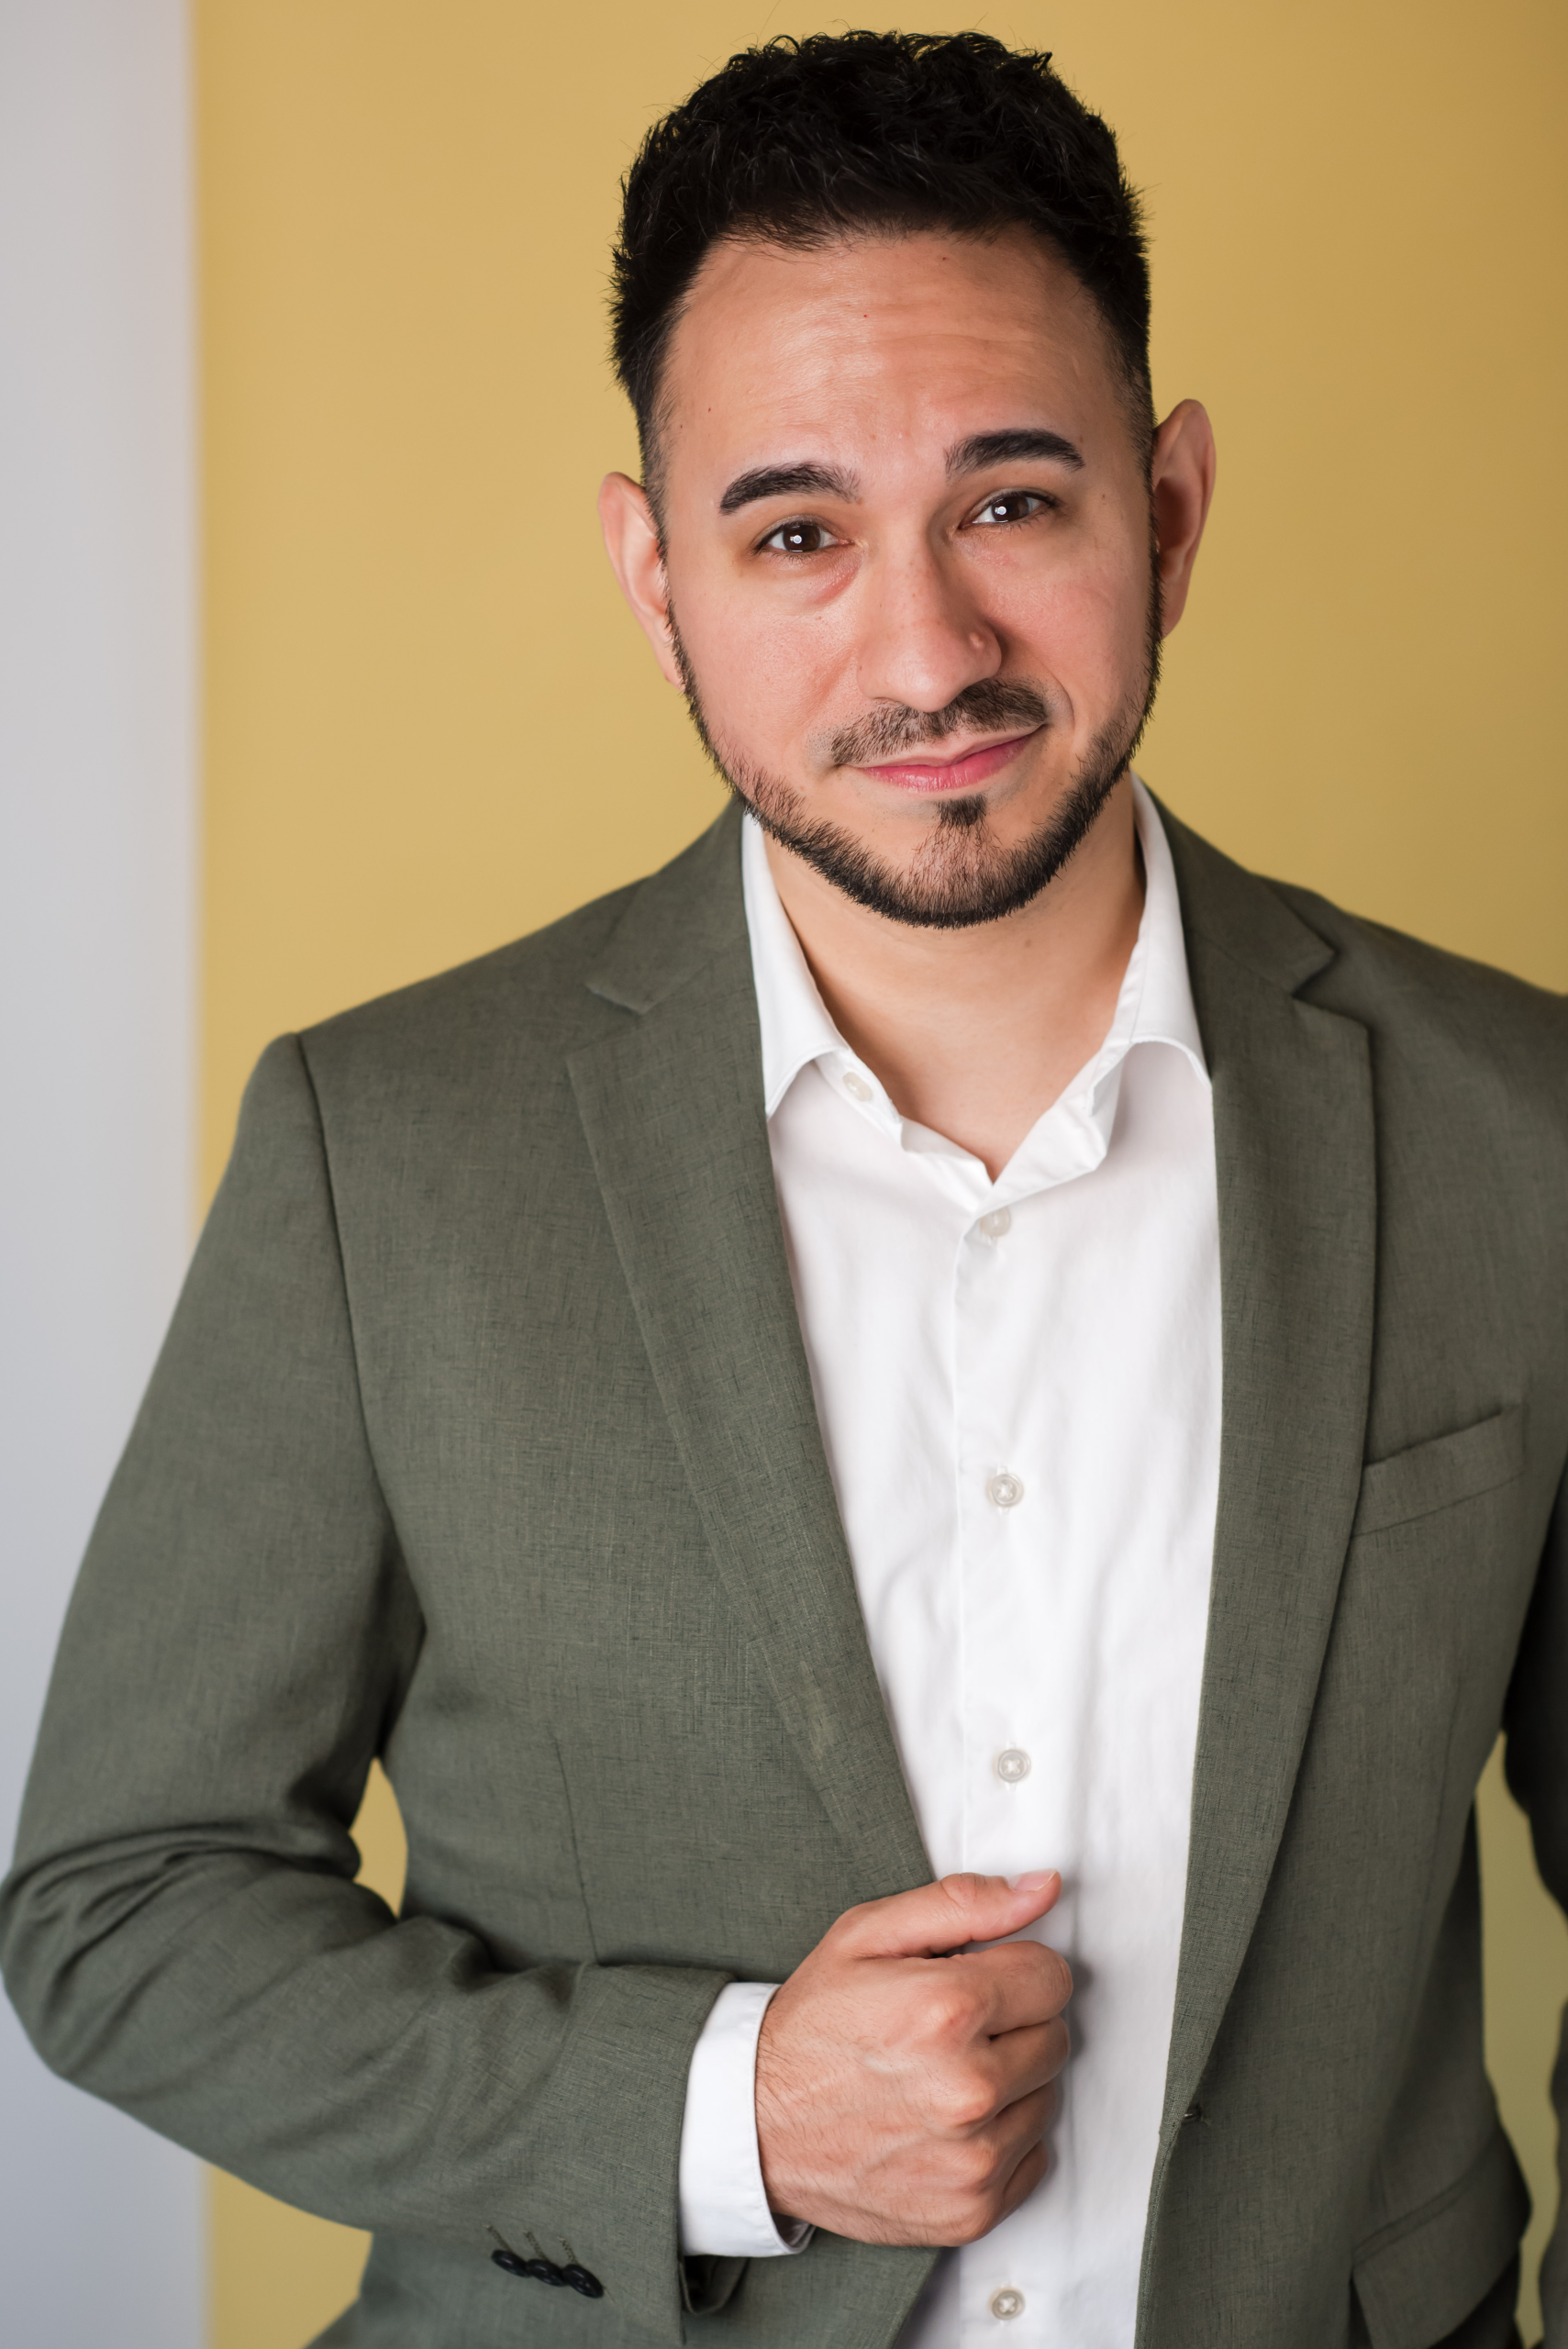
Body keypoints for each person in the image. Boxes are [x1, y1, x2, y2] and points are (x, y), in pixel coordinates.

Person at [3, 28, 1563, 2349]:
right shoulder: (382, 1153)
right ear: (657, 577)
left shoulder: (1517, 1125)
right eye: (797, 533)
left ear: (1167, 509)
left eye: (1010, 502)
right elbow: (124, 1904)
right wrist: (713, 2111)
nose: (923, 651)